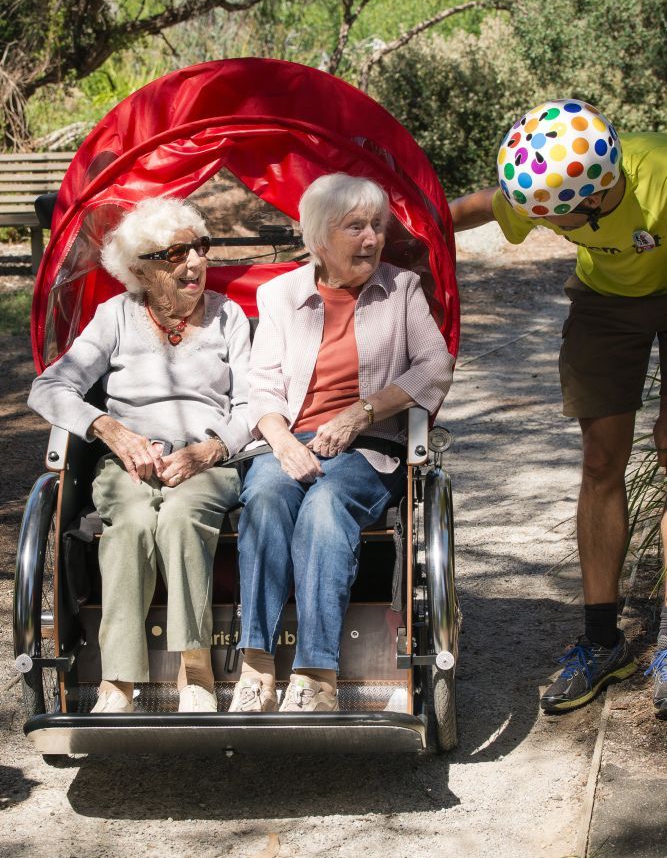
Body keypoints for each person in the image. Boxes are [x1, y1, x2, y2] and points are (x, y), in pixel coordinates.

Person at [449, 99, 667, 717]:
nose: (554, 225)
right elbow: (473, 209)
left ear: (599, 195)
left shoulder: (660, 181)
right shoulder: (551, 183)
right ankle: (603, 642)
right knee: (601, 460)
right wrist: (391, 225)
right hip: (607, 300)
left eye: (563, 218)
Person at [228, 172, 454, 713]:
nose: (372, 238)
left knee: (326, 506)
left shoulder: (401, 290)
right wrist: (282, 441)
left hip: (368, 444)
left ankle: (316, 672)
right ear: (318, 238)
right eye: (356, 227)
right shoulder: (279, 295)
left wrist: (363, 412)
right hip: (287, 439)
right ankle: (256, 665)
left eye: (377, 225)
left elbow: (435, 366)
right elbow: (260, 386)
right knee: (263, 498)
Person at [29, 197, 251, 714]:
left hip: (206, 459)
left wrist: (211, 449)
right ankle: (118, 682)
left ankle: (195, 669)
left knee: (180, 516)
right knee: (127, 526)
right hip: (129, 462)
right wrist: (109, 429)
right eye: (176, 253)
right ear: (140, 270)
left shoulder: (229, 316)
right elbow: (49, 387)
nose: (194, 261)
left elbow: (252, 405)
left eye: (200, 247)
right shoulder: (116, 316)